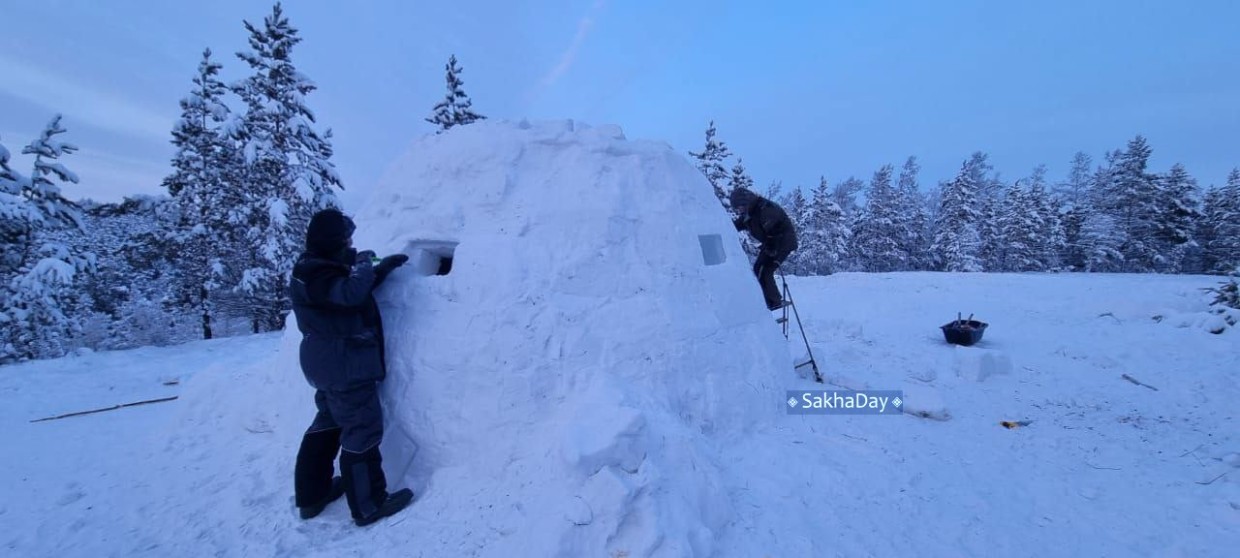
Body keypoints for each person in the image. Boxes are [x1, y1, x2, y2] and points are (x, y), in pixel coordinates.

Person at [288, 208, 414, 527]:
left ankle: (312, 495)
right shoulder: (316, 274)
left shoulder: (314, 269)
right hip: (344, 364)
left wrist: (379, 270)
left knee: (329, 423)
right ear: (332, 240)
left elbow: (347, 293)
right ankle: (369, 504)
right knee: (362, 428)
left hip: (328, 363)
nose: (350, 243)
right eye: (345, 239)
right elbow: (349, 293)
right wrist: (362, 264)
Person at [729, 188, 799, 311]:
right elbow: (738, 225)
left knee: (765, 270)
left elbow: (775, 230)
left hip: (782, 242)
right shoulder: (749, 212)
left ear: (745, 202)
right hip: (771, 242)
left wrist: (772, 248)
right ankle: (767, 299)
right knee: (758, 269)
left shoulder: (765, 209)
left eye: (739, 207)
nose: (738, 210)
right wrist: (724, 227)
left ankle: (773, 302)